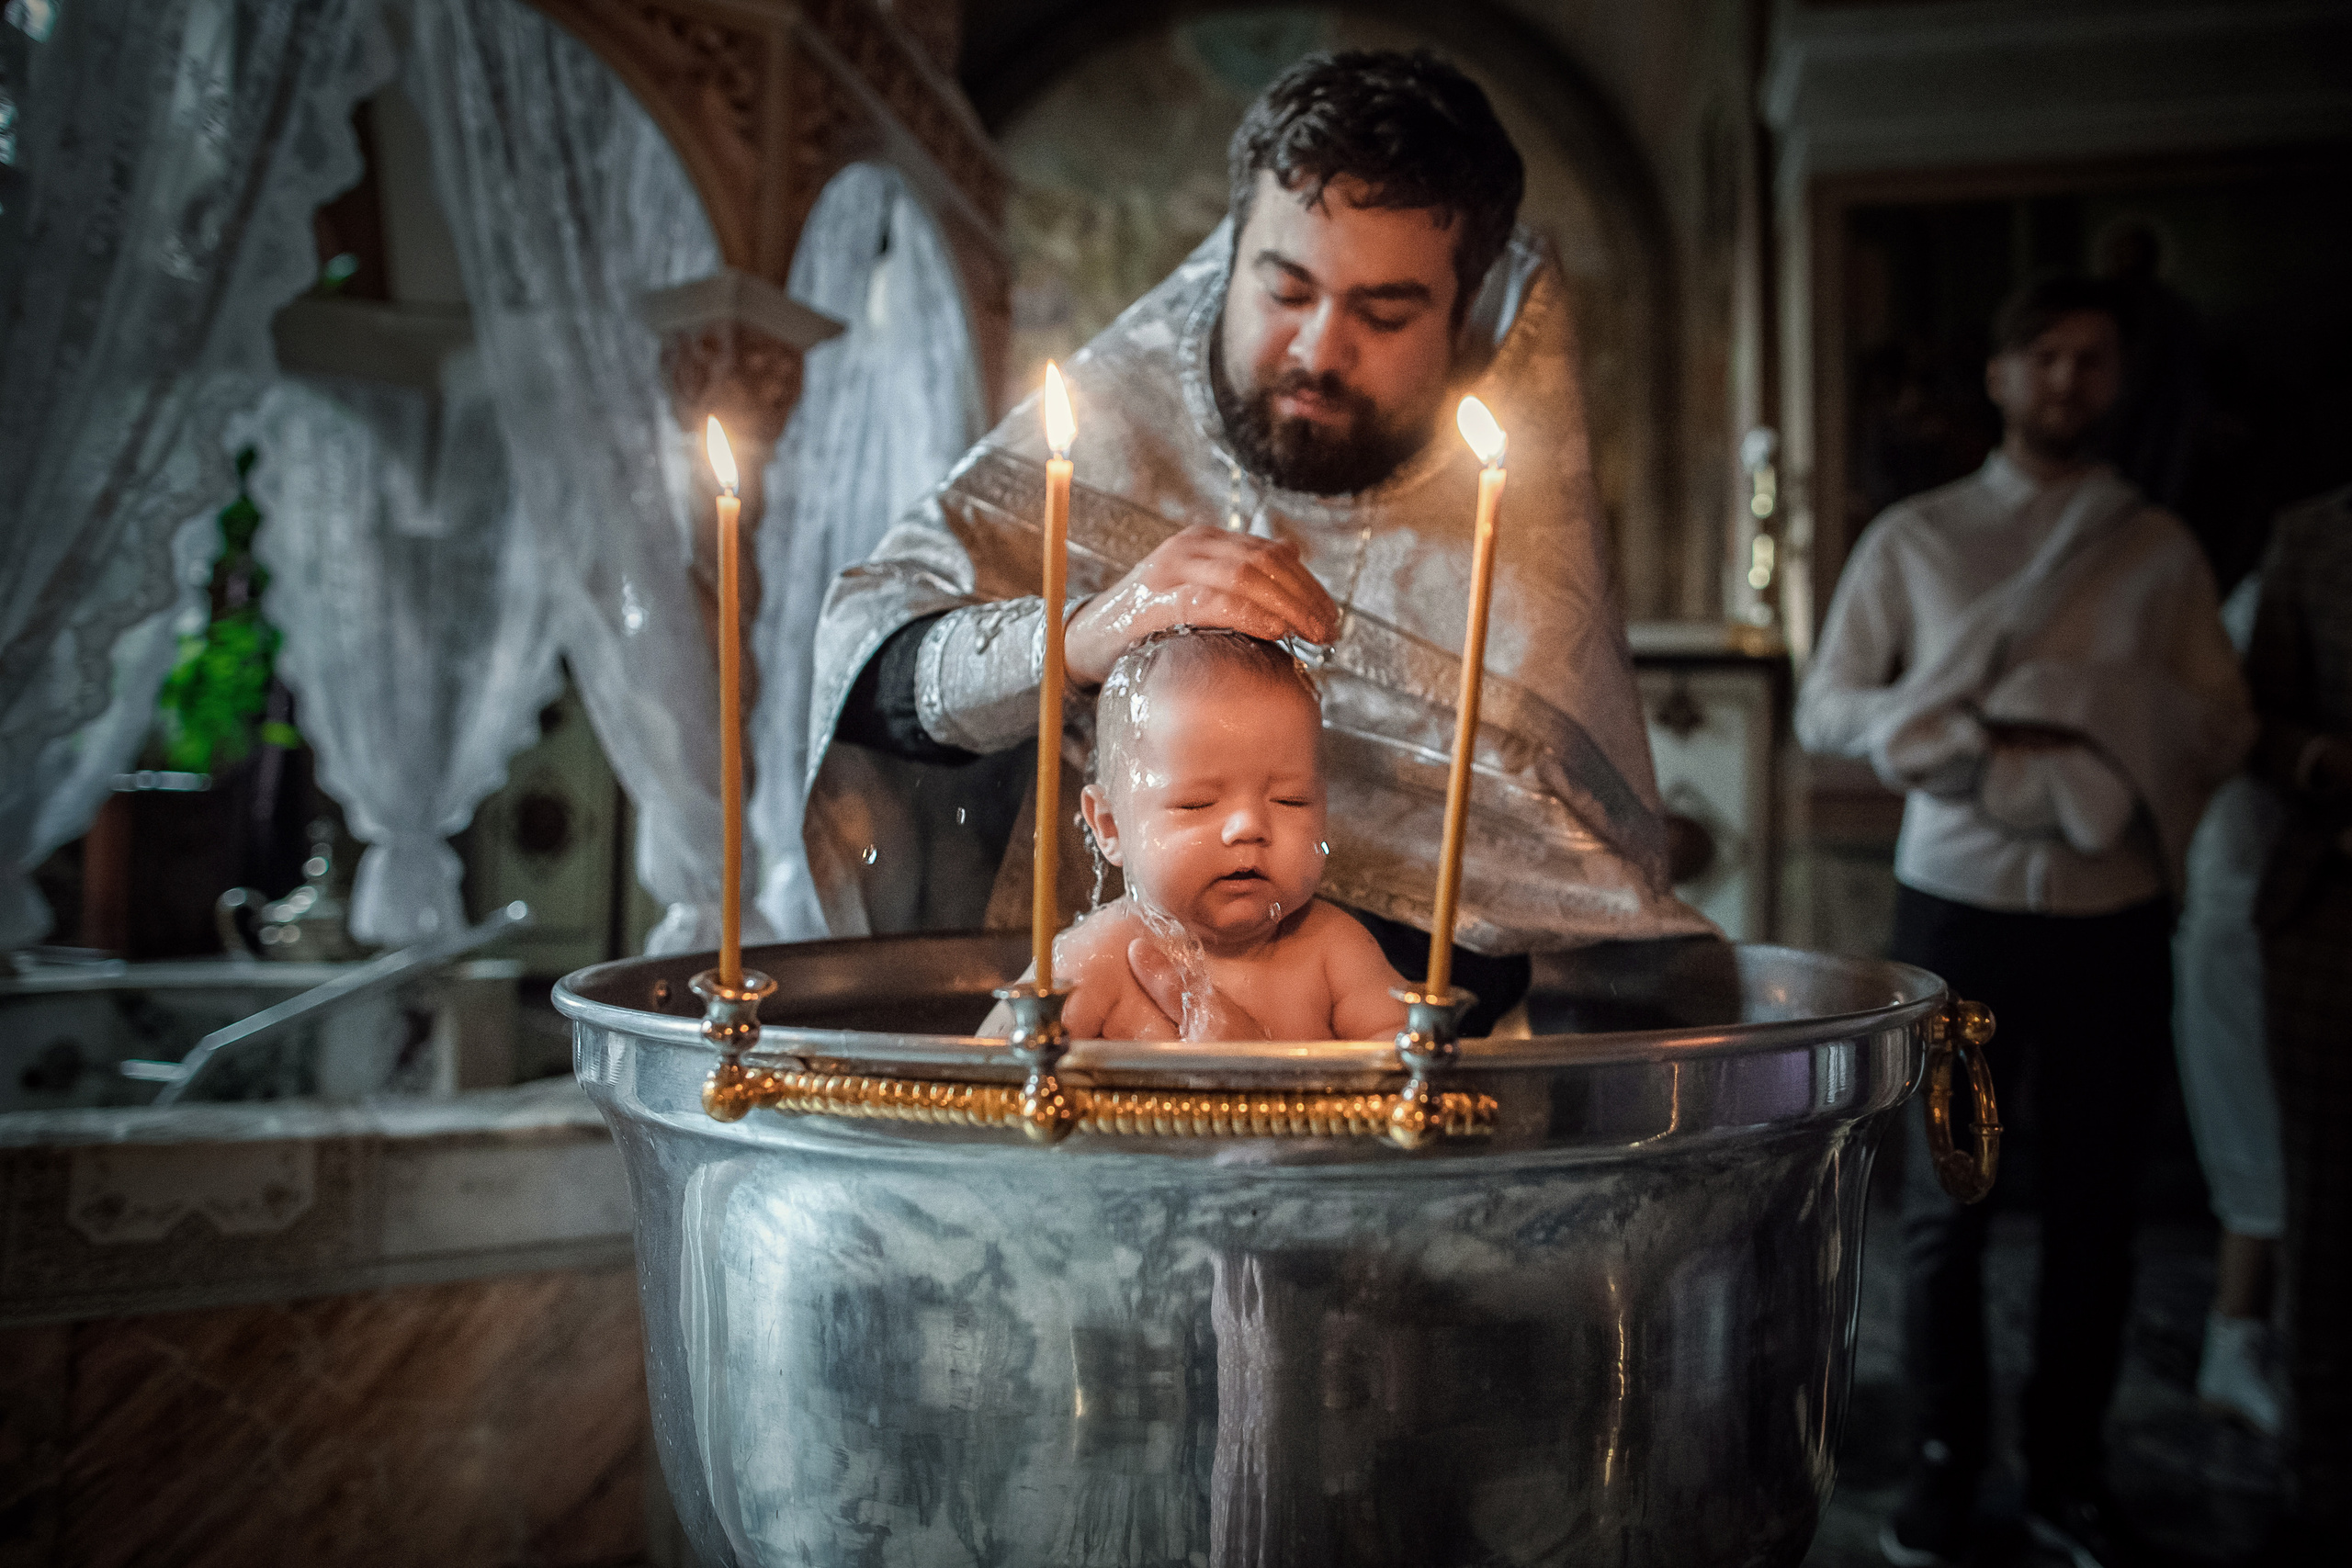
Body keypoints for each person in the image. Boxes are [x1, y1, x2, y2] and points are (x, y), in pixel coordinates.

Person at [808, 50, 1709, 1038]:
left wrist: (1261, 998)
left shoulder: (1505, 536)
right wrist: (1075, 638)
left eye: (1384, 312)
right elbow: (866, 664)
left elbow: (1535, 916)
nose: (1320, 351)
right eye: (1285, 290)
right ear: (1231, 253)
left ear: (1461, 315)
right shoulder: (1114, 430)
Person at [1794, 274, 2255, 1568]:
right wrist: (1939, 729)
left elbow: (2220, 723)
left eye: (2092, 361)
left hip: (2111, 906)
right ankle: (1945, 1461)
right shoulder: (1920, 538)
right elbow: (1828, 706)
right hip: (1961, 897)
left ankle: (2071, 1468)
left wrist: (2101, 706)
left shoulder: (2156, 549)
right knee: (1950, 1195)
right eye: (2042, 355)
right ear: (1997, 376)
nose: (2066, 381)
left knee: (2099, 1201)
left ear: (2118, 382)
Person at [980, 628, 1408, 1041]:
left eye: (1291, 800)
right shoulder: (1094, 958)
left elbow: (1415, 1082)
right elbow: (985, 1083)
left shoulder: (1336, 951)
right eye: (1196, 804)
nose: (1249, 827)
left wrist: (1268, 1072)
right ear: (1110, 827)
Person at [2245, 482, 2352, 1566]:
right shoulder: (2314, 536)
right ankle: (2314, 1488)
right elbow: (2250, 717)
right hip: (2331, 915)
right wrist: (2317, 760)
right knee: (2323, 1215)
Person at [2171, 569, 2287, 1438]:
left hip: (2273, 895)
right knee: (2254, 1130)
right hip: (2241, 897)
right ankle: (2238, 1338)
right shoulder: (2281, 586)